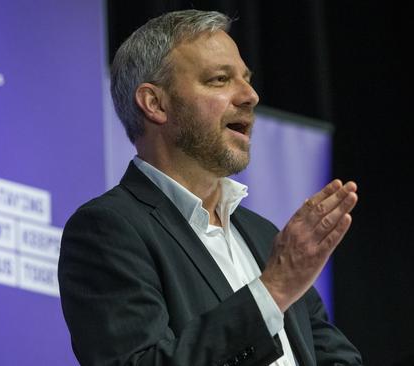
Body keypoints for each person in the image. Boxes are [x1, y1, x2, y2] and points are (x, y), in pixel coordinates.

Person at [59, 9, 362, 366]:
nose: (250, 95)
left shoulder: (265, 238)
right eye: (220, 80)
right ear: (155, 103)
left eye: (246, 79)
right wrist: (273, 290)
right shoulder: (109, 229)